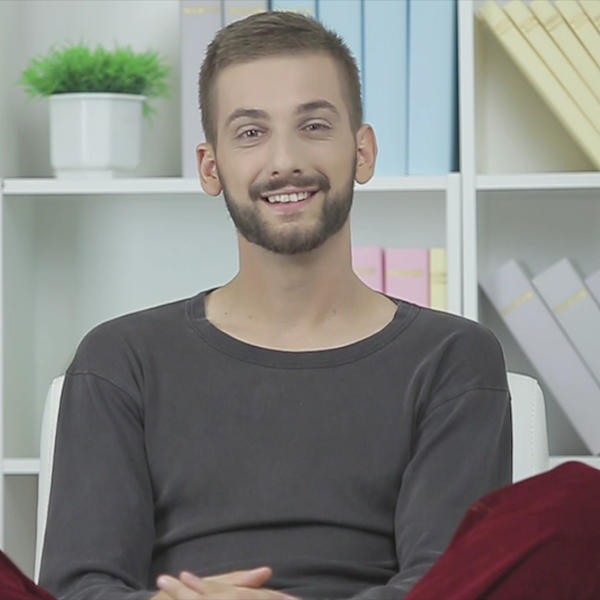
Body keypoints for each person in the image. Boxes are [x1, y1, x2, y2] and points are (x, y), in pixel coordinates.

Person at [39, 11, 512, 600]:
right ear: (210, 167)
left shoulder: (453, 356)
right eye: (250, 132)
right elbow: (77, 588)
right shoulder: (120, 359)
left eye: (313, 125)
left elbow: (448, 586)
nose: (285, 160)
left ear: (363, 152)